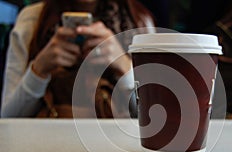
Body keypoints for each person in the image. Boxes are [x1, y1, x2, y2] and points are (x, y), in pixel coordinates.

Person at [1, 0, 154, 118]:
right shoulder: (31, 21)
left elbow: (155, 117)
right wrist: (39, 70)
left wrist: (124, 67)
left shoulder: (139, 21)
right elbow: (8, 117)